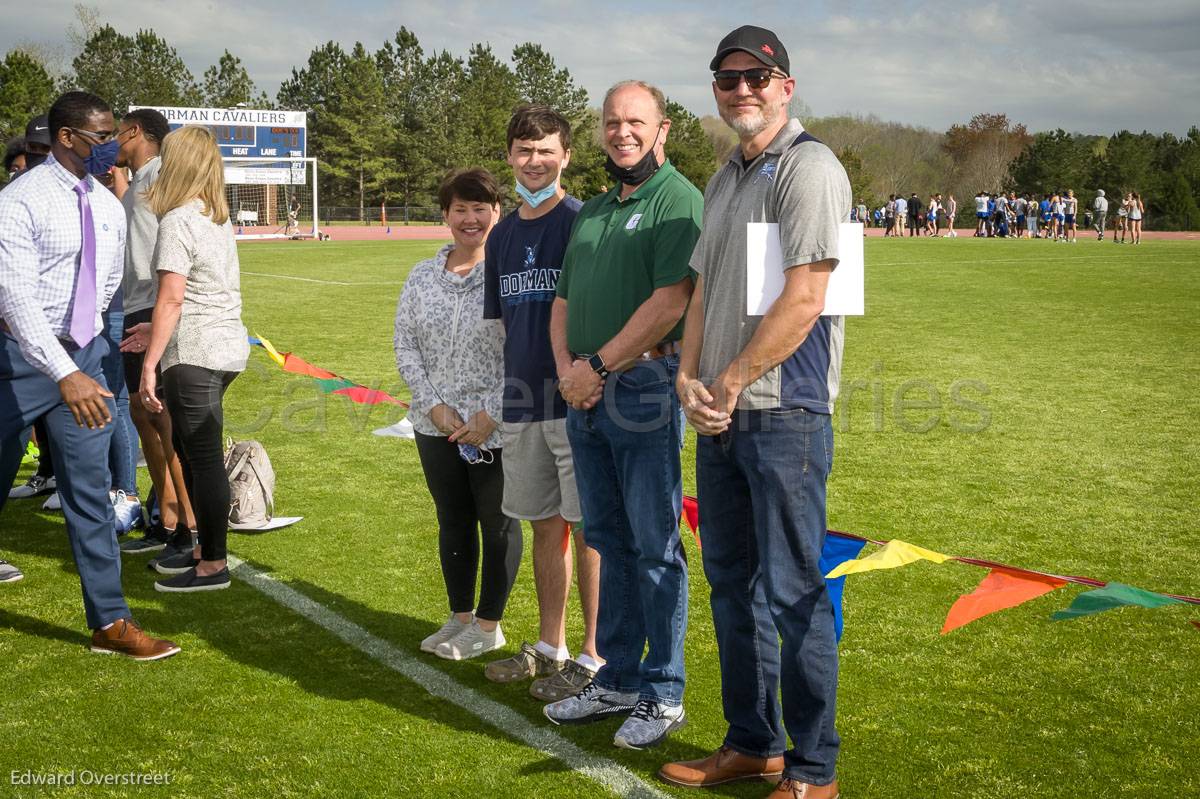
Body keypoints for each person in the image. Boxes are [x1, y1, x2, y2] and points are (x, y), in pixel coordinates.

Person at [659, 26, 849, 799]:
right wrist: (687, 374)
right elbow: (703, 289)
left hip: (784, 411)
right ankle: (753, 742)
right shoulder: (722, 178)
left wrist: (730, 381)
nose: (742, 89)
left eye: (757, 77)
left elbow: (806, 299)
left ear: (786, 86)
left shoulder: (810, 169)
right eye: (728, 78)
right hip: (721, 411)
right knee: (730, 583)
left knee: (794, 590)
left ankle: (813, 771)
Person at [542, 79, 701, 751]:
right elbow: (563, 300)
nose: (622, 131)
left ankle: (662, 692)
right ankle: (618, 676)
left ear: (662, 129)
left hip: (641, 388)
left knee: (654, 544)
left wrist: (597, 368)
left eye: (636, 120)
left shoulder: (679, 200)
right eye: (612, 121)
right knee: (606, 535)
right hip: (585, 391)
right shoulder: (596, 208)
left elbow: (671, 301)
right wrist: (567, 374)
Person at [0, 91, 179, 659]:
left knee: (90, 498)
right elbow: (14, 297)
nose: (111, 147)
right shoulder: (19, 200)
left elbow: (106, 289)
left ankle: (110, 622)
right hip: (18, 363)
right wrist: (62, 371)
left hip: (84, 360)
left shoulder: (106, 204)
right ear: (68, 138)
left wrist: (94, 352)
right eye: (102, 137)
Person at [480, 105, 603, 699]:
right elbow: (504, 325)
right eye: (524, 151)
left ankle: (593, 655)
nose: (535, 161)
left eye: (546, 150)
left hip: (577, 403)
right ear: (509, 157)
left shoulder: (583, 221)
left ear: (567, 155)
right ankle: (550, 646)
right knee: (543, 528)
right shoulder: (500, 235)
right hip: (522, 404)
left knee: (588, 532)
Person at [395, 168, 521, 660]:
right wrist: (433, 405)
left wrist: (490, 413)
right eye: (460, 209)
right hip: (435, 425)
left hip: (493, 428)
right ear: (445, 215)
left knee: (499, 524)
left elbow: (523, 351)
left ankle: (490, 625)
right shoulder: (422, 276)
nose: (470, 219)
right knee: (453, 521)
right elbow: (405, 344)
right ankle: (460, 617)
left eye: (480, 208)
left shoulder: (507, 275)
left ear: (496, 212)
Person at [138, 125, 250, 593]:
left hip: (197, 351)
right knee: (191, 451)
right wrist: (156, 331)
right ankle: (204, 551)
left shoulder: (179, 220)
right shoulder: (214, 217)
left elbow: (172, 299)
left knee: (202, 457)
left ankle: (212, 564)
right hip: (224, 346)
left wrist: (149, 361)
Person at [110, 108, 198, 558]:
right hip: (133, 304)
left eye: (117, 133)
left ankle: (189, 522)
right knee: (145, 418)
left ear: (136, 132)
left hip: (154, 303)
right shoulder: (139, 180)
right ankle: (166, 515)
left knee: (162, 417)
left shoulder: (166, 175)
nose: (111, 141)